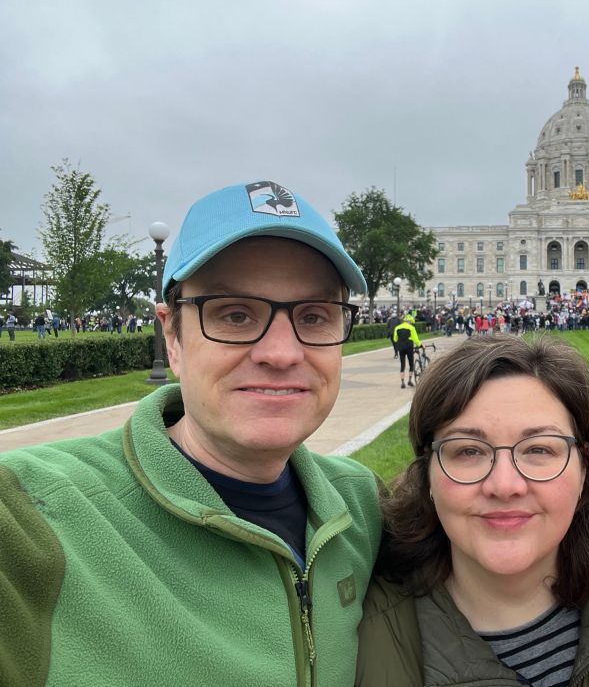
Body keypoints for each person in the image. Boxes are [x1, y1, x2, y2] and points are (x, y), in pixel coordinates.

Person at [0, 181, 382, 685]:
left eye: (314, 316)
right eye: (236, 314)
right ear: (171, 337)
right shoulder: (33, 515)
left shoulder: (361, 508)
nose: (283, 353)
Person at [357, 335, 589, 685]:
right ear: (427, 473)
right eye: (468, 451)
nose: (504, 486)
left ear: (584, 466)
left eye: (539, 450)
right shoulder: (353, 614)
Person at [393, 312, 422, 388]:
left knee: (402, 364)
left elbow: (395, 339)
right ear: (409, 321)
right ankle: (409, 381)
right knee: (411, 364)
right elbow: (416, 339)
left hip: (401, 347)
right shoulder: (411, 328)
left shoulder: (397, 328)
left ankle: (402, 382)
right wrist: (420, 345)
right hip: (409, 346)